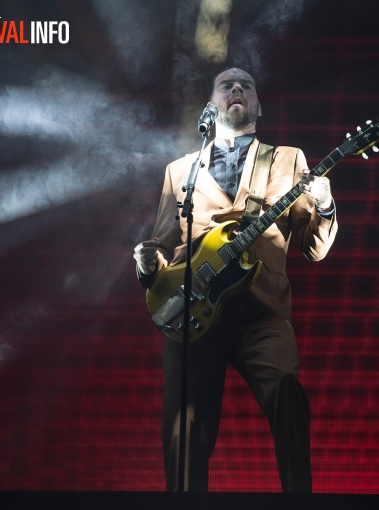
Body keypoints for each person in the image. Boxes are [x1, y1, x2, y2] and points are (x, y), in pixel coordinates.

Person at [133, 67, 337, 492]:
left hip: (261, 311)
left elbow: (313, 247)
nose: (237, 89)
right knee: (183, 424)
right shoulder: (180, 171)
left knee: (285, 387)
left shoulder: (288, 159)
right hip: (194, 308)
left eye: (246, 85)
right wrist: (148, 266)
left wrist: (325, 204)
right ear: (212, 104)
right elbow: (164, 245)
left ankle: (300, 499)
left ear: (258, 106)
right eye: (226, 85)